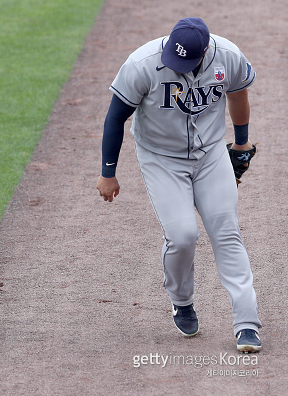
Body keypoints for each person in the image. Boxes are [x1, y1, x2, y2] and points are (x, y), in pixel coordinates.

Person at [96, 17, 262, 352]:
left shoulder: (227, 55)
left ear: (204, 52)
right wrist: (108, 172)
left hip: (211, 154)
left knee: (226, 231)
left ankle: (247, 323)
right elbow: (116, 116)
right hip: (161, 159)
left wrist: (241, 143)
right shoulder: (142, 64)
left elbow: (237, 93)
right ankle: (181, 300)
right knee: (183, 235)